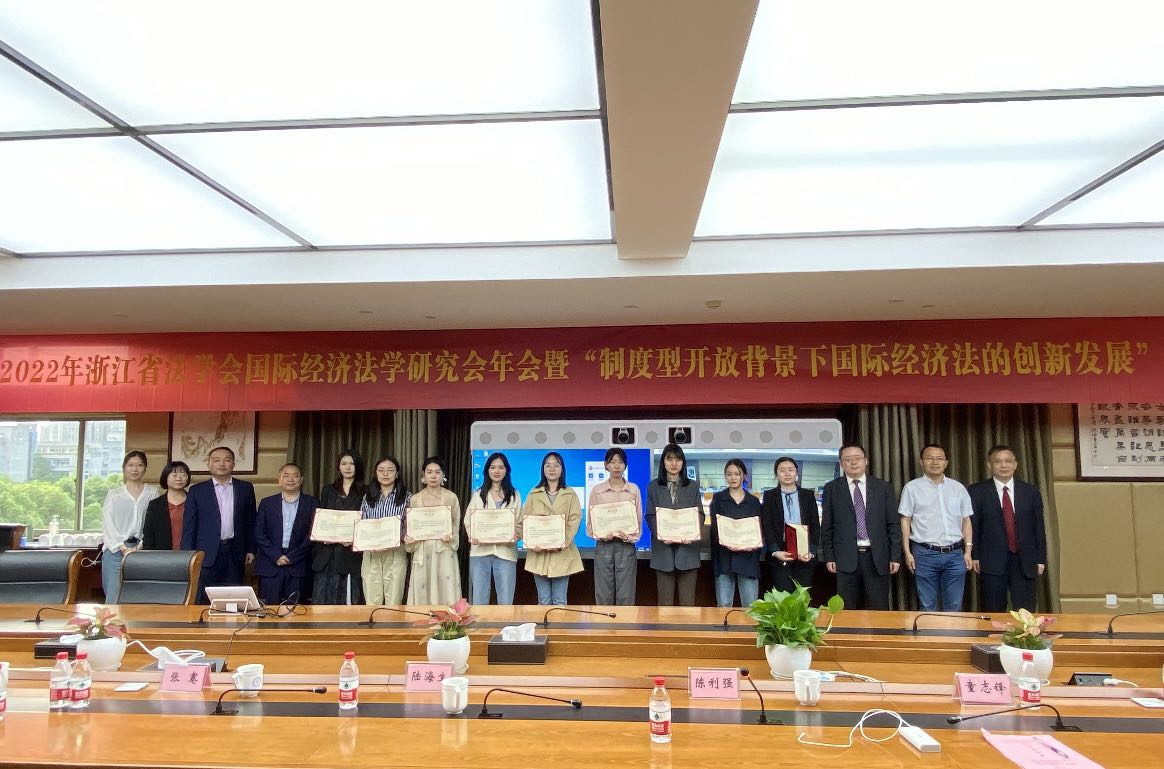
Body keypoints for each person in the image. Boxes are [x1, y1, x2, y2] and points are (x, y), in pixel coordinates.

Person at [821, 442, 901, 610]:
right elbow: (827, 526)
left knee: (879, 608)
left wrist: (894, 556)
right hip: (845, 558)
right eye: (847, 459)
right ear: (841, 464)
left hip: (877, 558)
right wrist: (829, 556)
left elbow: (893, 524)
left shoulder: (883, 487)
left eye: (857, 458)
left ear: (866, 461)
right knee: (847, 609)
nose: (853, 462)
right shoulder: (831, 489)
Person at [968, 445, 1047, 612]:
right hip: (991, 560)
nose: (1003, 465)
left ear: (1015, 464)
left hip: (1025, 559)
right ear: (989, 465)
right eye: (998, 461)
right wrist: (975, 555)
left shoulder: (1030, 491)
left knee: (1026, 611)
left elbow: (1039, 527)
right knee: (993, 610)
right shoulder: (977, 491)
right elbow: (973, 526)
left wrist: (1040, 558)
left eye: (1008, 461)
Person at [899, 444, 973, 612]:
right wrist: (907, 552)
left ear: (946, 463)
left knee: (954, 605)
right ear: (921, 462)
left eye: (939, 458)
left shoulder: (958, 488)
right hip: (924, 554)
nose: (935, 462)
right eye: (929, 458)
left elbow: (966, 520)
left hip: (955, 554)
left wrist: (968, 551)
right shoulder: (911, 488)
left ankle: (952, 631)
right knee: (927, 606)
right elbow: (905, 520)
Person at [181, 446, 258, 604]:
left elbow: (251, 521)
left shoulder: (245, 488)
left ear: (233, 464)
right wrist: (188, 554)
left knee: (233, 597)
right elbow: (189, 527)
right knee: (204, 598)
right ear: (209, 464)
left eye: (227, 460)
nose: (222, 464)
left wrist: (251, 549)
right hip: (205, 553)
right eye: (216, 460)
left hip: (235, 551)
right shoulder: (197, 491)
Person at [645, 444, 704, 606]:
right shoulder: (653, 486)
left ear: (683, 462)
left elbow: (699, 514)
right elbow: (650, 515)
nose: (674, 463)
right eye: (669, 458)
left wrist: (691, 535)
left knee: (688, 605)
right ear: (663, 462)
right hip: (663, 552)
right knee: (665, 607)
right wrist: (661, 535)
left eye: (678, 459)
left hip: (688, 551)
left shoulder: (692, 486)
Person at [521, 451, 582, 605]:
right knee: (543, 600)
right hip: (539, 554)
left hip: (562, 554)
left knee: (560, 600)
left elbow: (574, 520)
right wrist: (531, 542)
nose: (552, 469)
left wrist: (562, 542)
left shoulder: (570, 494)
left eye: (556, 465)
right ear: (543, 469)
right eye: (548, 465)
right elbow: (525, 521)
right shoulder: (534, 493)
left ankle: (559, 624)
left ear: (562, 469)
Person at [100, 451, 160, 603]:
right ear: (124, 468)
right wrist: (123, 548)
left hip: (143, 550)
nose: (135, 469)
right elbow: (108, 524)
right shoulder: (114, 494)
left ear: (145, 468)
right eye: (131, 465)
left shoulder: (152, 492)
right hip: (116, 551)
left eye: (139, 465)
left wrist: (139, 547)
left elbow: (154, 524)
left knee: (141, 596)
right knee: (114, 596)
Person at [254, 463, 318, 605]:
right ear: (279, 479)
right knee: (269, 610)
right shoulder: (267, 503)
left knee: (297, 610)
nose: (290, 479)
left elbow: (313, 534)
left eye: (295, 476)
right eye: (286, 475)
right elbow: (259, 533)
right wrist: (275, 555)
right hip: (271, 565)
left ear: (301, 480)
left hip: (299, 565)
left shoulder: (312, 503)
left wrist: (292, 557)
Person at [464, 452, 521, 605]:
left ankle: (504, 623)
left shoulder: (514, 495)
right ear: (487, 470)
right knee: (479, 600)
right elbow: (469, 520)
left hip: (506, 553)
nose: (497, 471)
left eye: (501, 467)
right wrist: (473, 535)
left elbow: (520, 522)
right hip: (480, 553)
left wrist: (516, 534)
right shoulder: (478, 495)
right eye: (493, 467)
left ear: (506, 470)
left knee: (506, 601)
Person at [588, 447, 643, 606]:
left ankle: (625, 623)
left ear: (625, 465)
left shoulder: (633, 490)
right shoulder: (597, 491)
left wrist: (630, 536)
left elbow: (638, 520)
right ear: (606, 465)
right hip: (603, 546)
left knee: (626, 596)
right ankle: (603, 623)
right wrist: (600, 534)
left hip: (626, 546)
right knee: (603, 595)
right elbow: (591, 523)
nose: (617, 466)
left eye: (620, 462)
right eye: (612, 462)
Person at [312, 451, 367, 605]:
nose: (347, 467)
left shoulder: (367, 491)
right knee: (323, 602)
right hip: (327, 554)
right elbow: (322, 517)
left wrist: (354, 538)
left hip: (351, 555)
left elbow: (367, 521)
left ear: (358, 466)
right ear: (338, 467)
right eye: (344, 464)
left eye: (352, 464)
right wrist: (323, 535)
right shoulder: (328, 490)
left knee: (349, 602)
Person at [406, 457, 462, 605]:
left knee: (445, 591)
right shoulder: (415, 499)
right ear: (423, 475)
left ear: (443, 475)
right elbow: (411, 526)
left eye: (437, 472)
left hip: (444, 550)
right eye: (429, 472)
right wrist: (411, 539)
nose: (433, 476)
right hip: (422, 550)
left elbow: (456, 525)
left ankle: (447, 619)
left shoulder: (451, 497)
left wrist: (450, 536)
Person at [760, 456, 820, 593]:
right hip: (780, 550)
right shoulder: (770, 496)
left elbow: (815, 524)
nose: (787, 473)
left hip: (804, 551)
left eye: (790, 470)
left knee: (802, 596)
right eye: (782, 470)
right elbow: (767, 525)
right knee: (783, 596)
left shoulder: (808, 495)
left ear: (796, 473)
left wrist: (811, 551)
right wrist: (775, 550)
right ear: (776, 474)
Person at [709, 459, 763, 608]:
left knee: (751, 607)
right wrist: (726, 541)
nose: (733, 477)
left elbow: (759, 530)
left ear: (744, 476)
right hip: (724, 557)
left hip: (748, 558)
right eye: (729, 474)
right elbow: (715, 528)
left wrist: (753, 544)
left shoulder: (753, 501)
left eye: (737, 474)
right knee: (724, 605)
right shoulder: (718, 499)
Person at [359, 456, 409, 605]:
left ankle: (392, 622)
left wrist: (398, 537)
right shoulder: (367, 497)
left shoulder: (407, 497)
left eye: (390, 470)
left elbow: (410, 525)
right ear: (376, 473)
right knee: (371, 600)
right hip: (371, 552)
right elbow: (362, 523)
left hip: (396, 551)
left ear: (397, 474)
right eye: (381, 470)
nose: (385, 474)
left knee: (394, 600)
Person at [142, 460, 191, 551]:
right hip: (162, 555)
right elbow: (148, 535)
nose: (179, 478)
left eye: (183, 474)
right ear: (166, 478)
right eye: (174, 475)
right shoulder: (155, 505)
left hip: (190, 554)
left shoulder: (194, 502)